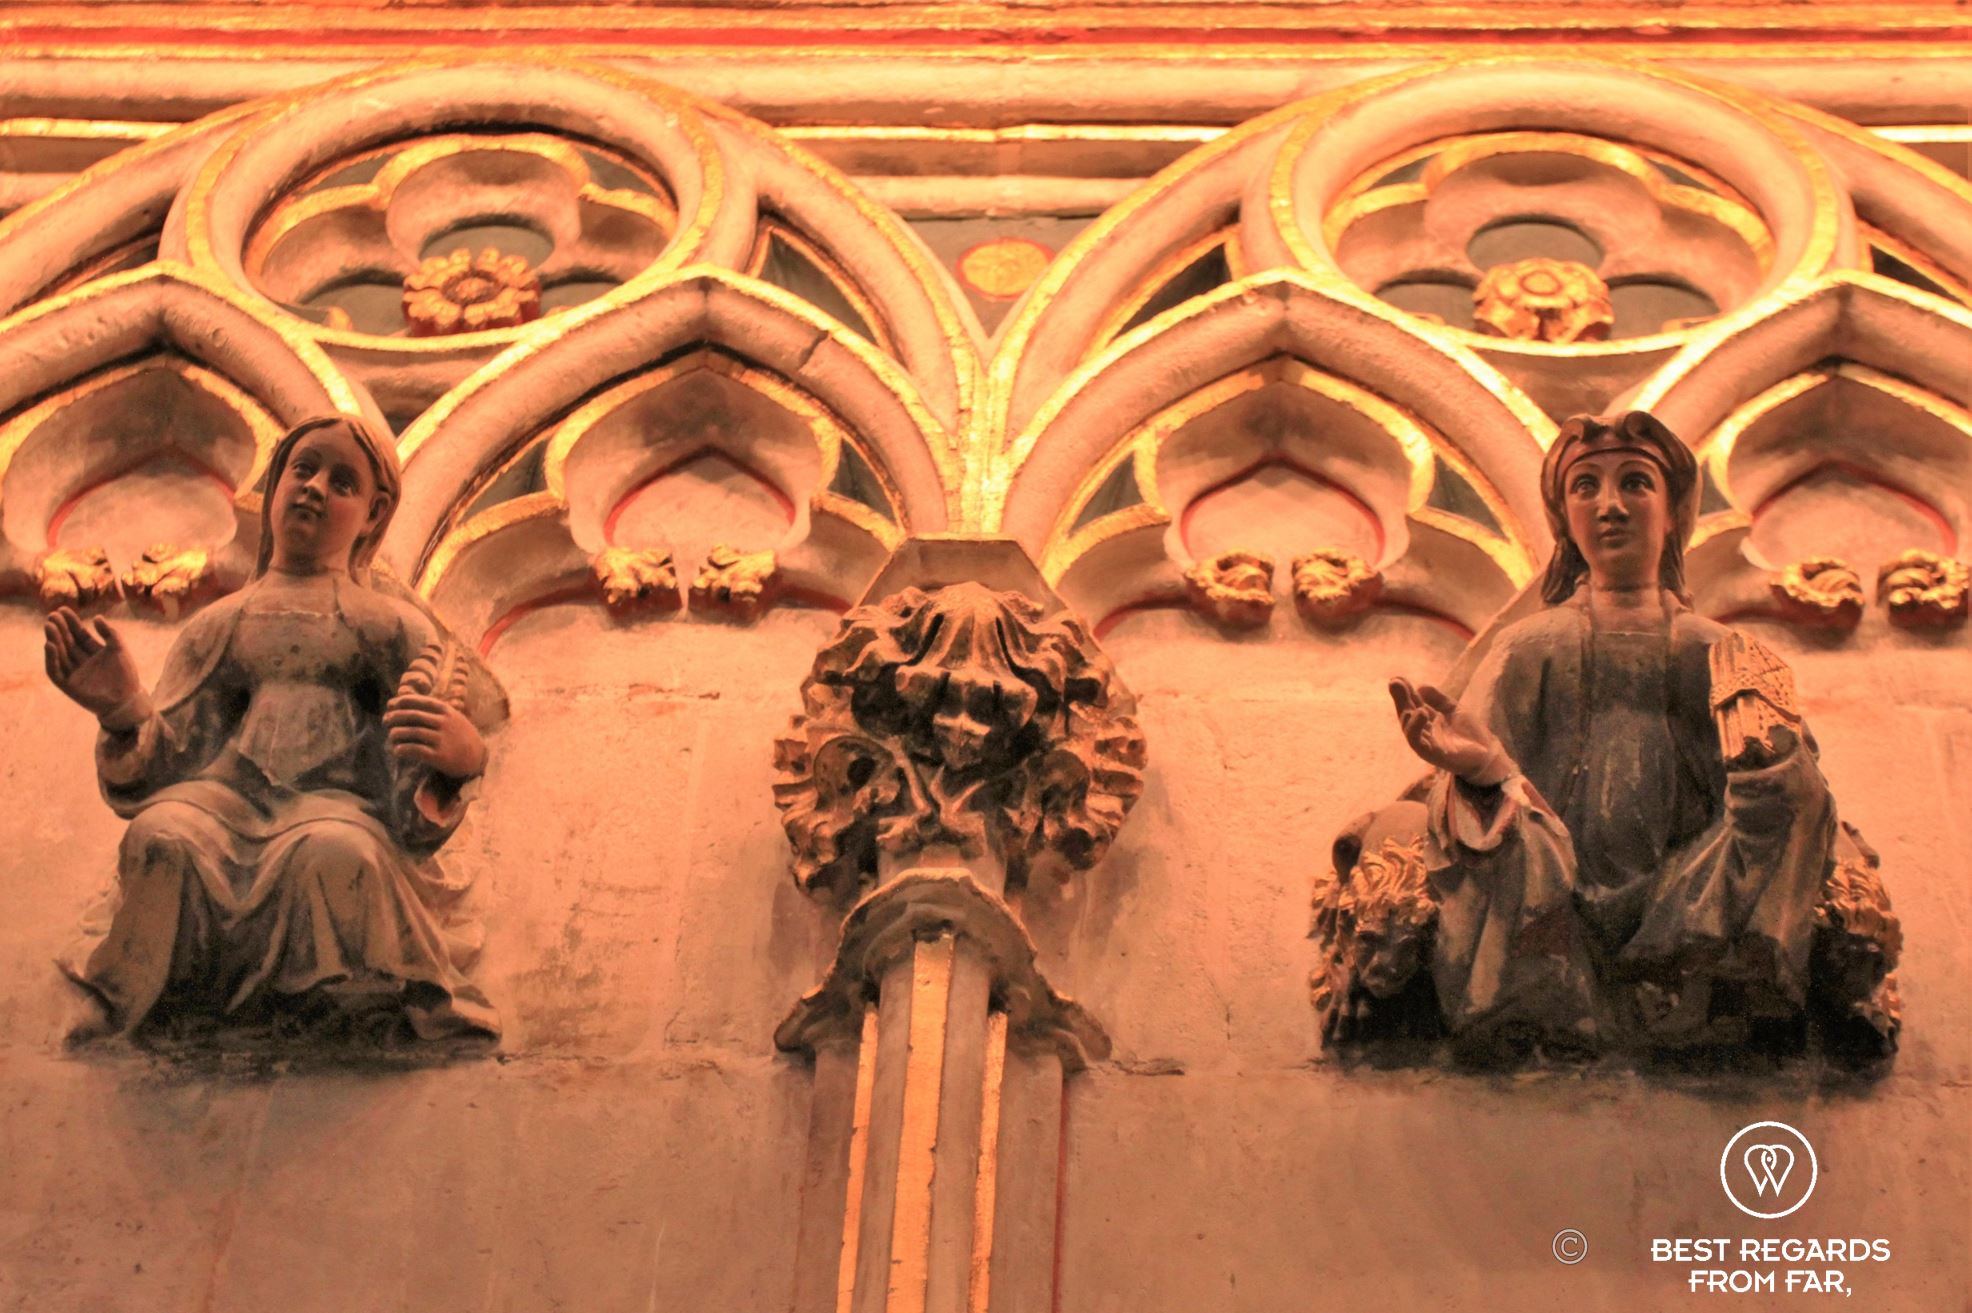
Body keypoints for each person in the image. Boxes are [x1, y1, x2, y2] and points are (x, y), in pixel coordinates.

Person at [1382, 411, 1836, 1054]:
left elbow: (1787, 791)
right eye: (1586, 487)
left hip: (1692, 897)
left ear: (1674, 511)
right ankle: (1552, 987)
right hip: (1554, 891)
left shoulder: (1720, 651)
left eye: (1636, 483)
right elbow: (1484, 781)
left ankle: (1708, 970)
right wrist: (1481, 768)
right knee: (1484, 824)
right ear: (1564, 517)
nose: (1611, 506)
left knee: (1800, 799)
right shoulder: (1530, 645)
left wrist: (1774, 765)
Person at [44, 414, 499, 1043]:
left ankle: (343, 1000)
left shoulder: (391, 626)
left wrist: (458, 759)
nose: (313, 487)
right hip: (222, 803)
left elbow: (410, 772)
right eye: (303, 469)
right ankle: (136, 996)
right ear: (277, 482)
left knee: (336, 852)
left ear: (373, 515)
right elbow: (174, 757)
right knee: (163, 835)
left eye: (343, 483)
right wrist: (122, 707)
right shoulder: (220, 622)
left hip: (336, 805)